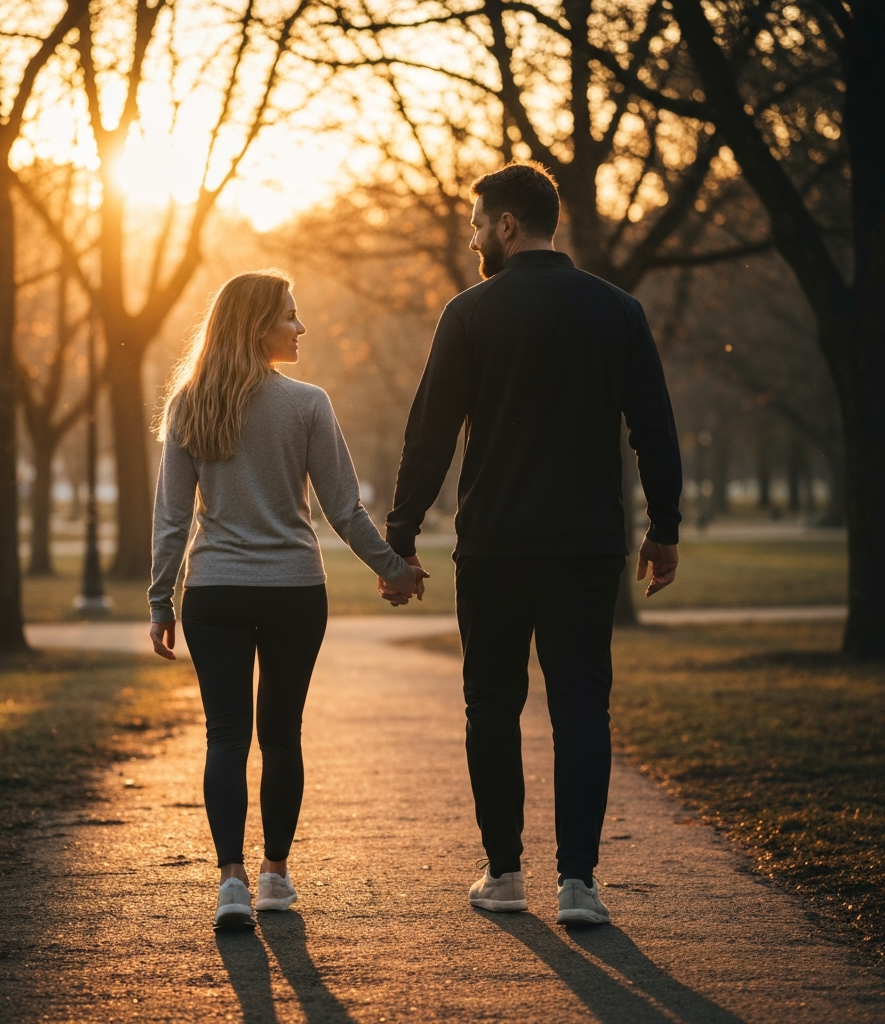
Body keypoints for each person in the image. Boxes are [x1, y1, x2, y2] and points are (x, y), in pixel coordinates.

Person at [380, 163, 682, 925]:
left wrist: (401, 533)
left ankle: (505, 873)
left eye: (479, 223)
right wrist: (664, 529)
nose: (475, 237)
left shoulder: (470, 313)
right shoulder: (618, 311)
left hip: (497, 546)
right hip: (587, 546)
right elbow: (655, 429)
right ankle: (578, 883)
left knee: (492, 705)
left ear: (508, 225)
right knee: (583, 703)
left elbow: (431, 433)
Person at [149, 269, 426, 931]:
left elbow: (171, 520)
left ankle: (231, 883)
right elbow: (344, 510)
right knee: (281, 735)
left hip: (213, 590)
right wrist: (395, 569)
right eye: (290, 317)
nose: (300, 328)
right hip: (293, 593)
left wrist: (161, 600)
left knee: (225, 737)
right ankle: (274, 874)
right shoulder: (308, 404)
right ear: (257, 325)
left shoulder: (188, 403)